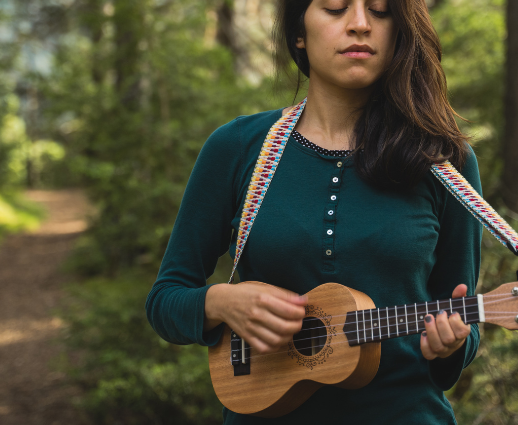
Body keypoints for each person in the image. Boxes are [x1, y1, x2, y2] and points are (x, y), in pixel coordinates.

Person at [145, 0, 481, 423]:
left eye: (380, 11)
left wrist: (451, 347)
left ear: (400, 31)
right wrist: (219, 302)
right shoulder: (237, 147)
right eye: (336, 7)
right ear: (299, 33)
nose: (360, 24)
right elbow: (165, 301)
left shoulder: (444, 161)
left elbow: (462, 315)